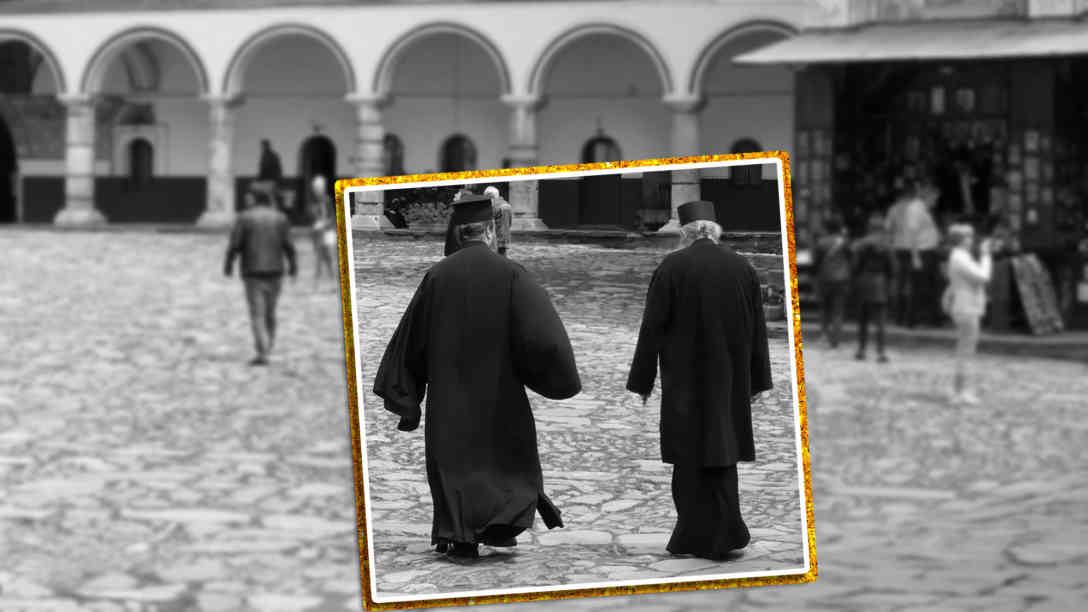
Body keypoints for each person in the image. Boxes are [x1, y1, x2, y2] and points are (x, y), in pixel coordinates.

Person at [373, 194, 581, 559]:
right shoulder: (511, 273)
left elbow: (411, 339)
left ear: (459, 231)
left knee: (454, 463)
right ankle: (500, 527)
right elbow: (544, 338)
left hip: (449, 396)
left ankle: (461, 535)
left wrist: (408, 394)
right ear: (489, 230)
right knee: (504, 461)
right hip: (500, 392)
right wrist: (554, 377)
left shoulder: (437, 276)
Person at [626, 200, 773, 561]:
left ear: (686, 233)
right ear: (714, 230)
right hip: (728, 378)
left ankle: (692, 534)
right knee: (723, 453)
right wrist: (758, 381)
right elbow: (758, 330)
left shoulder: (672, 267)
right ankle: (726, 532)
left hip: (686, 378)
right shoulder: (742, 267)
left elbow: (652, 329)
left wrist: (641, 382)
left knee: (688, 456)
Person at [224, 188, 297, 366]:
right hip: (275, 270)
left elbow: (235, 244)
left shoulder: (245, 217)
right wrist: (293, 266)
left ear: (255, 199)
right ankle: (268, 345)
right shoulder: (280, 218)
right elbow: (288, 245)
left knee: (257, 313)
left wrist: (229, 263)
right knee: (270, 312)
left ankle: (263, 351)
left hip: (252, 271)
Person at [944, 223, 992, 405]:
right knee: (966, 351)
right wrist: (986, 256)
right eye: (969, 237)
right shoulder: (960, 258)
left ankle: (961, 389)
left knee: (965, 350)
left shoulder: (960, 256)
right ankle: (960, 391)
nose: (971, 240)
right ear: (962, 240)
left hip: (966, 306)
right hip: (967, 308)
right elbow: (983, 277)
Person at [851, 214, 897, 363]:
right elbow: (892, 267)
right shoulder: (886, 245)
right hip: (880, 282)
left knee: (862, 320)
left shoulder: (860, 244)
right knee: (880, 321)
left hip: (863, 282)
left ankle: (861, 350)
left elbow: (855, 266)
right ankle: (881, 352)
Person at [905, 181, 942, 327]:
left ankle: (931, 319)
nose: (936, 201)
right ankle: (913, 320)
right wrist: (915, 256)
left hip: (930, 251)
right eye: (935, 198)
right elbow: (912, 233)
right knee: (919, 287)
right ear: (928, 196)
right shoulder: (915, 209)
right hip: (922, 252)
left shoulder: (924, 209)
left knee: (931, 286)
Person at [813, 216, 852, 348]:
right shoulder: (844, 242)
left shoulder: (821, 242)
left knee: (824, 309)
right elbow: (850, 258)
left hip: (824, 278)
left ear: (826, 228)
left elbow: (816, 263)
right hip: (841, 279)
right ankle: (836, 340)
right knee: (838, 310)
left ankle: (824, 334)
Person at [884, 181, 914, 325]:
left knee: (896, 281)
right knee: (910, 282)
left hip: (896, 248)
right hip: (913, 248)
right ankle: (909, 317)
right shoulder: (917, 209)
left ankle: (896, 316)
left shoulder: (893, 209)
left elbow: (887, 229)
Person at [308, 175, 336, 287]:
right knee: (319, 258)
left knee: (330, 257)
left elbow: (333, 217)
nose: (317, 190)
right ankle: (316, 283)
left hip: (328, 232)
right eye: (315, 187)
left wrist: (324, 224)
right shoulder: (312, 203)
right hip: (317, 234)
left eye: (319, 187)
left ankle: (333, 281)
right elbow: (311, 219)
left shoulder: (327, 200)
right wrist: (316, 225)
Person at [484, 185, 513, 257]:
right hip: (505, 237)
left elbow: (489, 223)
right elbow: (510, 222)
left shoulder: (494, 205)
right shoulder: (507, 204)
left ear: (489, 196)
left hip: (496, 238)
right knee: (503, 257)